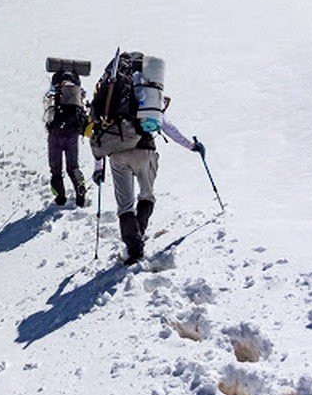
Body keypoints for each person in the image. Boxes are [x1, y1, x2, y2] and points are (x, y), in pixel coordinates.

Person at [92, 111, 204, 265]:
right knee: (147, 196)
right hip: (144, 150)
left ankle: (134, 246)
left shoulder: (111, 97)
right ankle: (138, 237)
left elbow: (98, 134)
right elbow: (168, 128)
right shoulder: (147, 97)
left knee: (125, 206)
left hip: (117, 155)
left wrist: (98, 169)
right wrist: (192, 146)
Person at [44, 70, 88, 207]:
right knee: (73, 167)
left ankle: (60, 198)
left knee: (56, 169)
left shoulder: (53, 93)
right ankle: (79, 189)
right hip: (72, 135)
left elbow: (47, 115)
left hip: (55, 136)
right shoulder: (78, 93)